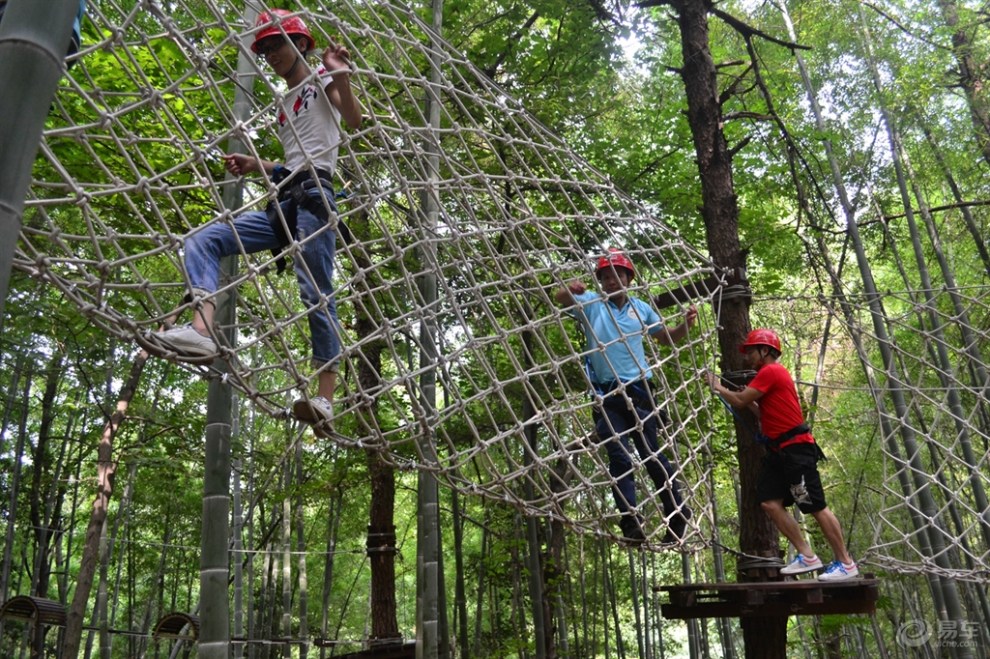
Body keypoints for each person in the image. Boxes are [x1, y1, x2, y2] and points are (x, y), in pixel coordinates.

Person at [144, 9, 362, 438]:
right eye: (263, 49)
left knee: (315, 291)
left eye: (276, 44)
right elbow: (295, 161)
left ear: (299, 43)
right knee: (204, 239)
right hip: (284, 200)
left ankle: (326, 398)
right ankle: (202, 329)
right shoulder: (283, 105)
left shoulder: (321, 80)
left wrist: (341, 76)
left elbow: (352, 122)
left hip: (316, 195)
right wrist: (257, 164)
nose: (270, 54)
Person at [555, 248, 697, 543]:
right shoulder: (592, 303)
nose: (611, 281)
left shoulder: (641, 308)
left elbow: (666, 337)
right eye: (605, 277)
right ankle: (630, 521)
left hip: (639, 388)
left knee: (651, 453)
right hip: (605, 392)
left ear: (628, 278)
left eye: (617, 275)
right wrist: (572, 287)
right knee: (618, 456)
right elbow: (560, 298)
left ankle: (676, 511)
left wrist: (686, 325)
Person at [705, 329, 859, 581]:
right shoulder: (766, 377)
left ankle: (846, 563)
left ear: (765, 351)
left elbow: (741, 400)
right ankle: (808, 556)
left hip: (796, 450)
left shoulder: (772, 371)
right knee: (769, 502)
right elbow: (759, 411)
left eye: (751, 352)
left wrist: (718, 386)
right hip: (779, 453)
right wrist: (747, 398)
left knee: (816, 506)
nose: (747, 358)